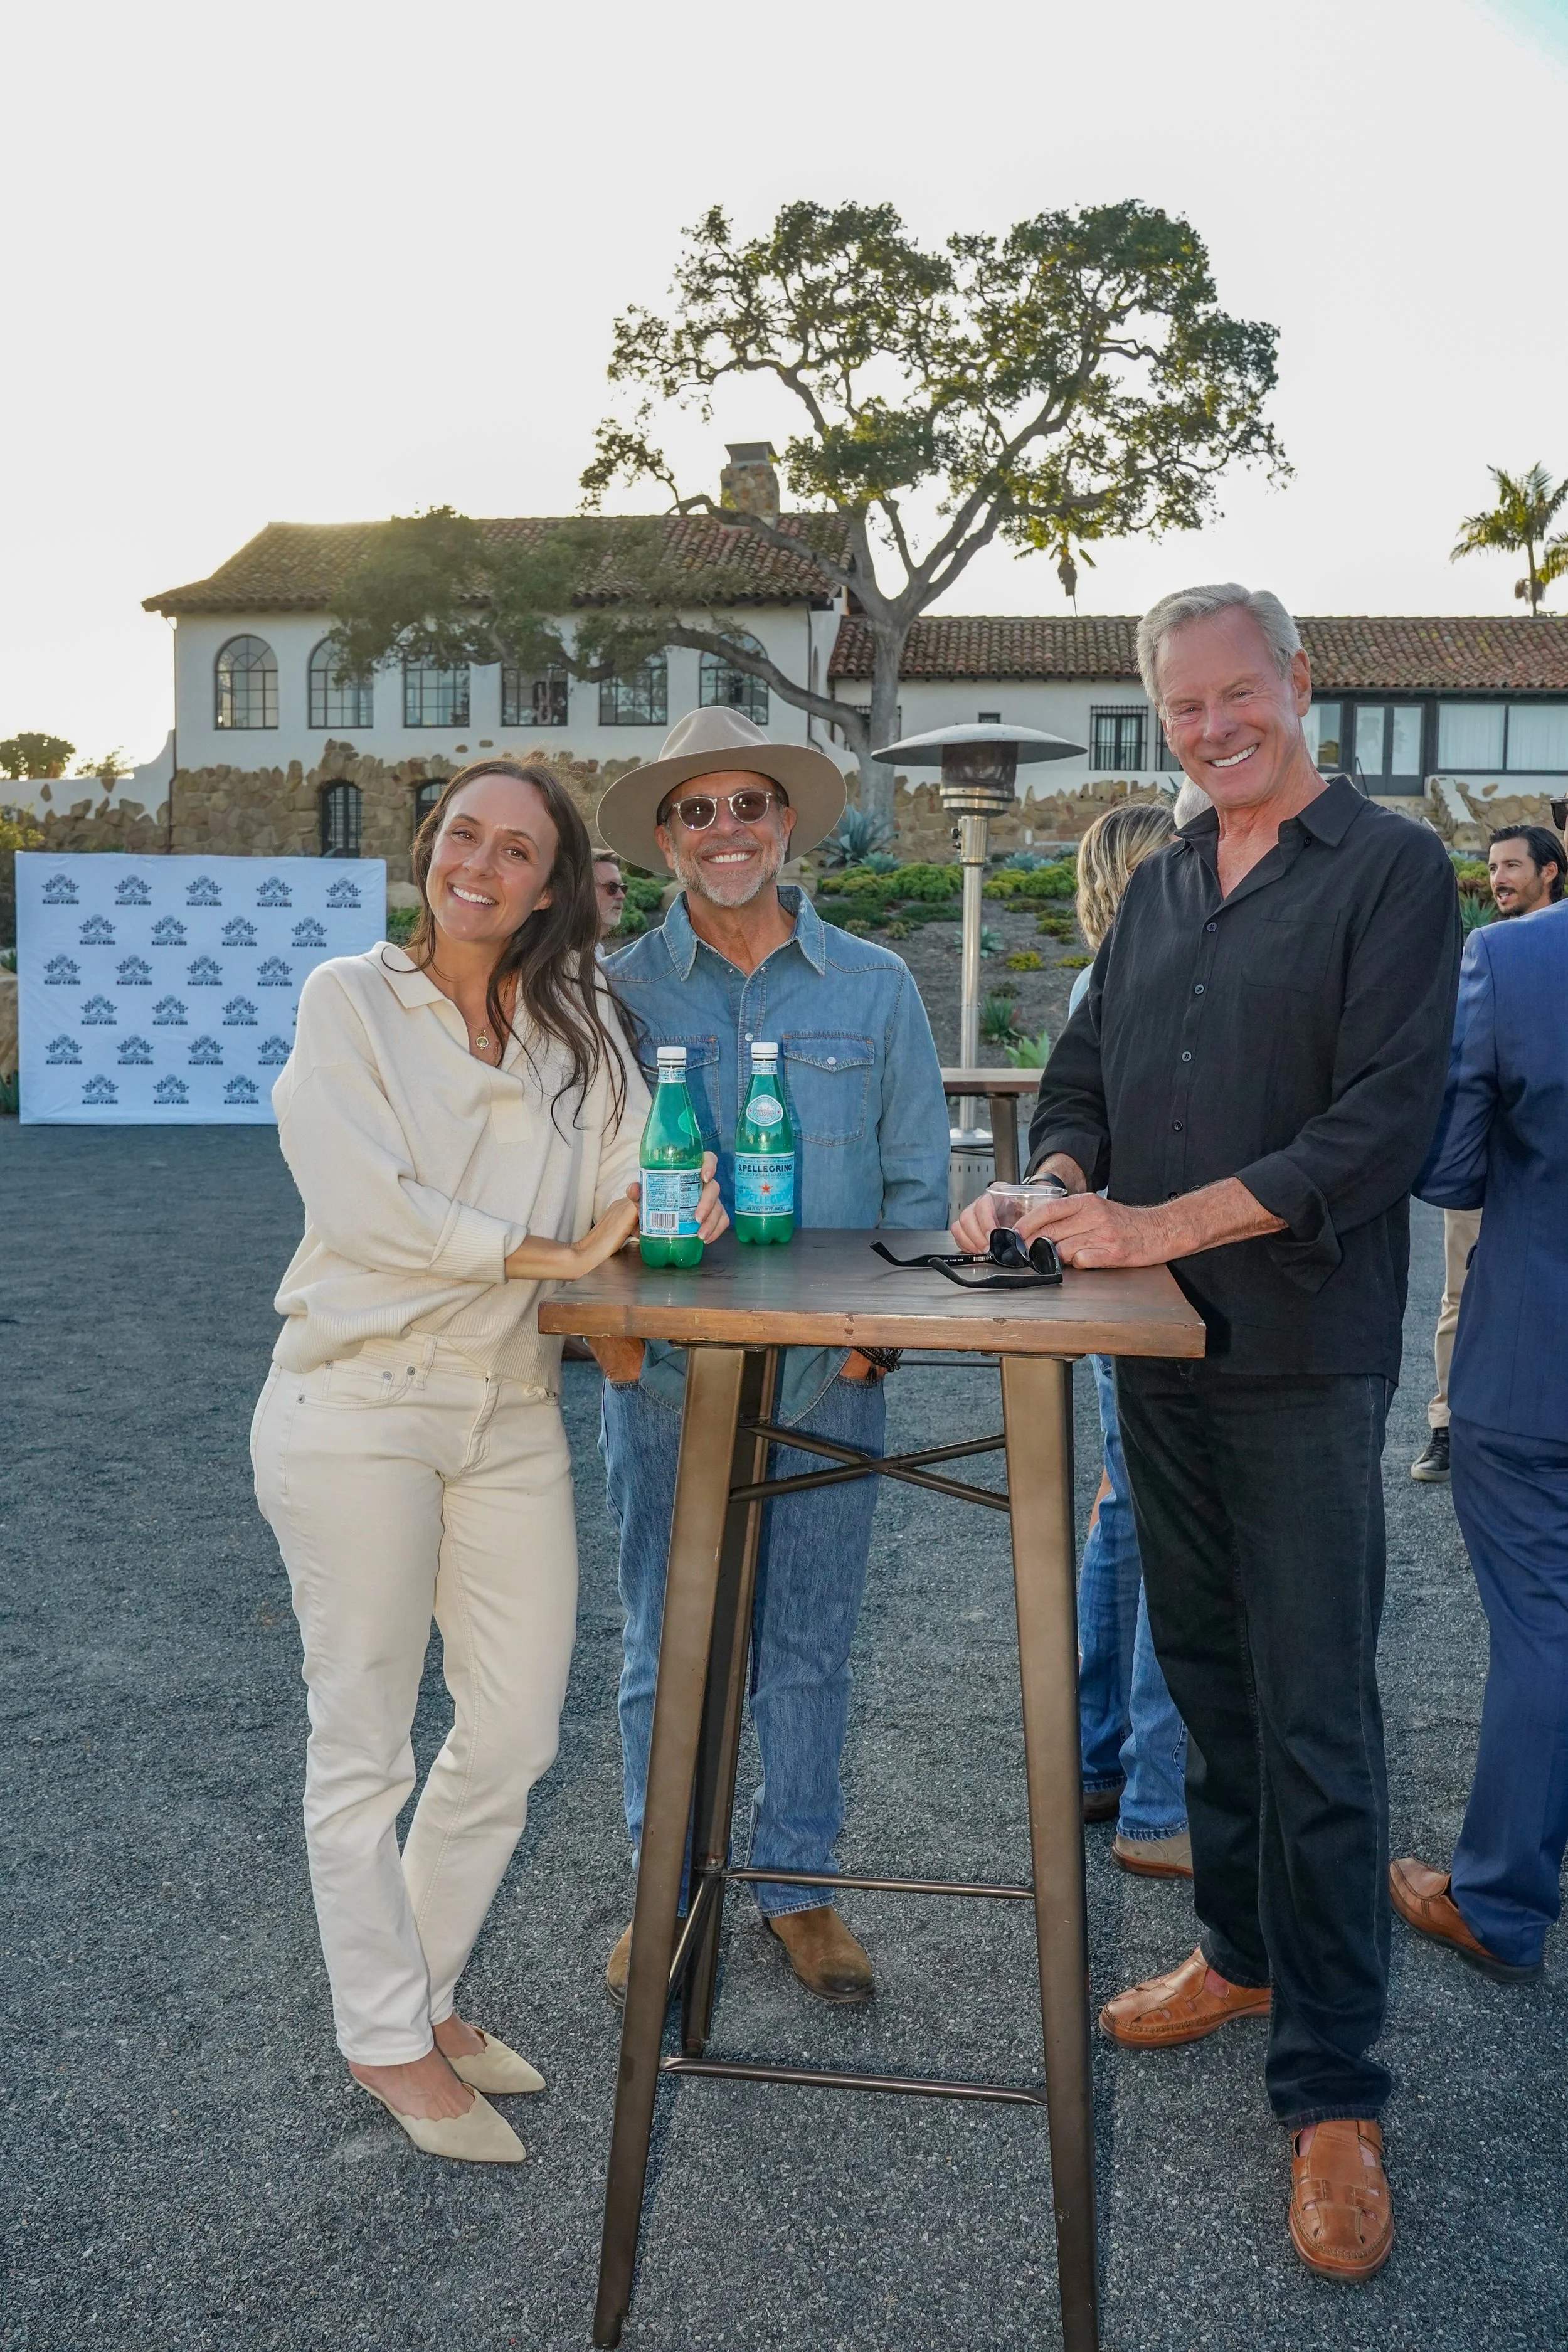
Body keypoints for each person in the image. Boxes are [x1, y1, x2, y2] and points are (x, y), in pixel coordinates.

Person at [955, 583, 1461, 2281]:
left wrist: (1161, 1225)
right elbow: (1084, 1075)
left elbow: (1384, 1120)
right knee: (1208, 1675)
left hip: (1305, 1355)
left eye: (1236, 693)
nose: (1211, 725)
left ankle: (1332, 2088)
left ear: (1297, 688)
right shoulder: (1162, 880)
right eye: (1180, 705)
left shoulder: (1388, 869)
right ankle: (1238, 1952)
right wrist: (1054, 1180)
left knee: (1316, 1713)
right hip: (1151, 1357)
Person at [251, 757, 726, 2163]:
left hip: (507, 1403)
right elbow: (360, 1200)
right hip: (357, 1404)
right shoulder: (350, 1000)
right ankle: (384, 2034)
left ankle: (430, 1987)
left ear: (553, 882)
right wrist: (548, 1252)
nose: (483, 865)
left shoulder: (577, 1021)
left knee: (514, 1733)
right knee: (365, 1745)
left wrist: (657, 1202)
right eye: (465, 836)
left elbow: (625, 1185)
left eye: (518, 850)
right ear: (427, 850)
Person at [595, 705, 950, 2006]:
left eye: (747, 805)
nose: (725, 830)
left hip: (825, 1374)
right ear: (668, 843)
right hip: (666, 1379)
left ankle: (796, 1889)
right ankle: (663, 1887)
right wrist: (621, 1351)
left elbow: (916, 1187)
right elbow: (574, 1181)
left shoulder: (875, 986)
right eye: (697, 812)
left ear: (786, 823)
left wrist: (871, 1356)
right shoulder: (615, 991)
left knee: (807, 1639)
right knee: (661, 1642)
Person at [1393, 871, 1568, 1979]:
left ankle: (1502, 1899)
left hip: (1535, 1357)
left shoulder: (1512, 959)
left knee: (1544, 1631)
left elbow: (1447, 1167)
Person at [1066, 804, 1192, 1879]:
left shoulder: (1090, 980)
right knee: (1170, 1532)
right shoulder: (1150, 979)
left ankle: (1095, 1761)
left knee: (1123, 1518)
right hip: (1156, 1280)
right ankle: (1159, 1804)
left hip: (1117, 1280)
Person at [1411, 824, 1562, 1480]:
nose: (1496, 878)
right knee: (1458, 1295)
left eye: (1509, 867)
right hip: (1483, 1160)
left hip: (1511, 1159)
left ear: (1549, 872)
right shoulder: (1480, 949)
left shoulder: (1511, 952)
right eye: (1491, 866)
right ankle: (1444, 1422)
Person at [593, 851, 628, 945]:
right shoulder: (563, 955)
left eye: (623, 888)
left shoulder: (596, 950)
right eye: (612, 887)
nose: (622, 896)